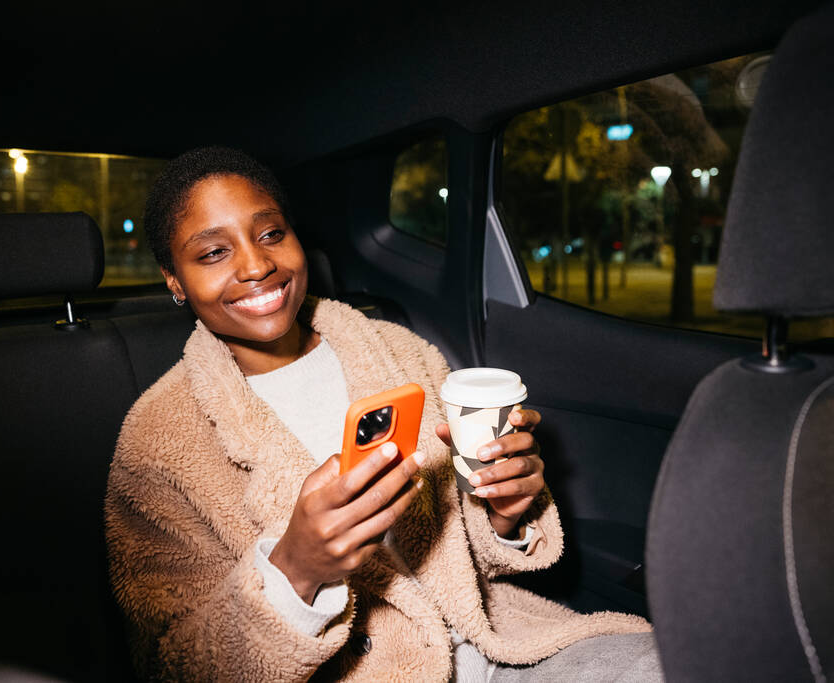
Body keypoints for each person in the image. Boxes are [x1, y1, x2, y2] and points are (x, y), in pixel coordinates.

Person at [104, 147, 660, 681]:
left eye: (272, 233)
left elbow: (467, 562)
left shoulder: (400, 352)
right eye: (212, 253)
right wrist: (296, 571)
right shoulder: (156, 441)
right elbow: (173, 666)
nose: (257, 264)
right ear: (174, 279)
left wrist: (505, 512)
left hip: (497, 643)